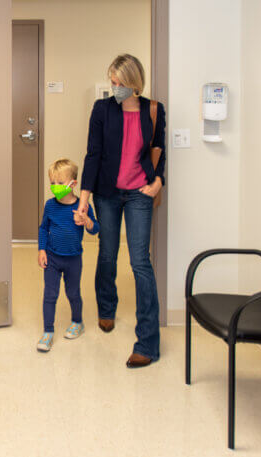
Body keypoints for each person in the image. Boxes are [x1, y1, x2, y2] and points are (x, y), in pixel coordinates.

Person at [76, 54, 166, 368]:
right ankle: (106, 306)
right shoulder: (102, 110)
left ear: (133, 83)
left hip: (140, 193)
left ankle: (148, 343)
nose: (114, 88)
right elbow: (93, 155)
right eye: (112, 82)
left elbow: (160, 149)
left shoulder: (154, 110)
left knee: (140, 261)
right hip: (107, 194)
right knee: (108, 253)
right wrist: (83, 197)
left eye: (119, 83)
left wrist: (158, 183)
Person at [37, 159, 99, 352]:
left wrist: (86, 221)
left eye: (60, 183)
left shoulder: (82, 206)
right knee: (50, 294)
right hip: (52, 258)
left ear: (73, 183)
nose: (55, 187)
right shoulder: (50, 205)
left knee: (73, 293)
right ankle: (48, 332)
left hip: (73, 259)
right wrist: (41, 249)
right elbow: (43, 229)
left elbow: (94, 229)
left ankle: (77, 322)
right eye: (52, 183)